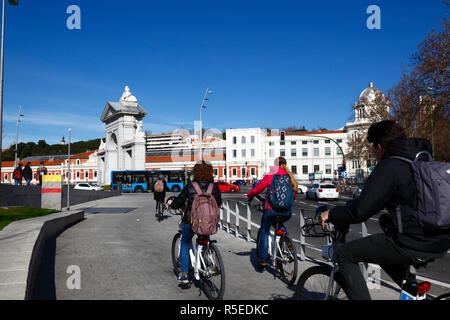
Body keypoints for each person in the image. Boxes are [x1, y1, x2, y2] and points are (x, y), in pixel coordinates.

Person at [319, 120, 450, 300]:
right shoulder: (421, 159)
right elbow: (373, 201)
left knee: (345, 253)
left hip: (414, 243)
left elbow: (361, 211)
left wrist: (331, 214)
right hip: (440, 239)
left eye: (373, 148)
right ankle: (414, 292)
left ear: (379, 146)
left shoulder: (390, 165)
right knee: (382, 248)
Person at [167, 161, 222, 288]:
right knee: (204, 239)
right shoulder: (214, 187)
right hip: (208, 223)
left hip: (191, 221)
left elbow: (179, 201)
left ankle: (185, 276)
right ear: (210, 172)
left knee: (185, 243)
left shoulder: (190, 186)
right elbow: (218, 203)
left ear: (196, 172)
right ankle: (207, 263)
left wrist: (171, 204)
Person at [246, 156, 298, 268]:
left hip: (271, 209)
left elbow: (258, 188)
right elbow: (293, 195)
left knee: (265, 230)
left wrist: (250, 194)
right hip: (286, 212)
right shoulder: (289, 176)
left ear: (275, 164)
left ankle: (263, 258)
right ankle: (288, 243)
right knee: (280, 226)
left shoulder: (272, 174)